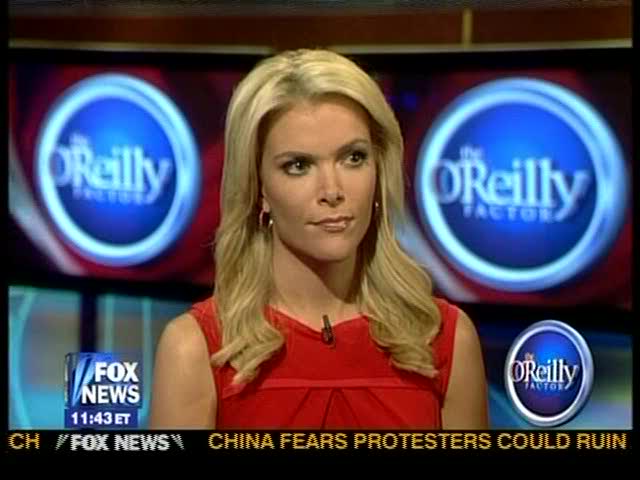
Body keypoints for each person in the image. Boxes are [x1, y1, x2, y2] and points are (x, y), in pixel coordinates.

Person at [149, 48, 489, 430]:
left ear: (380, 168)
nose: (332, 190)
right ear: (258, 187)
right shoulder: (196, 349)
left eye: (353, 158)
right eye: (299, 165)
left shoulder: (444, 339)